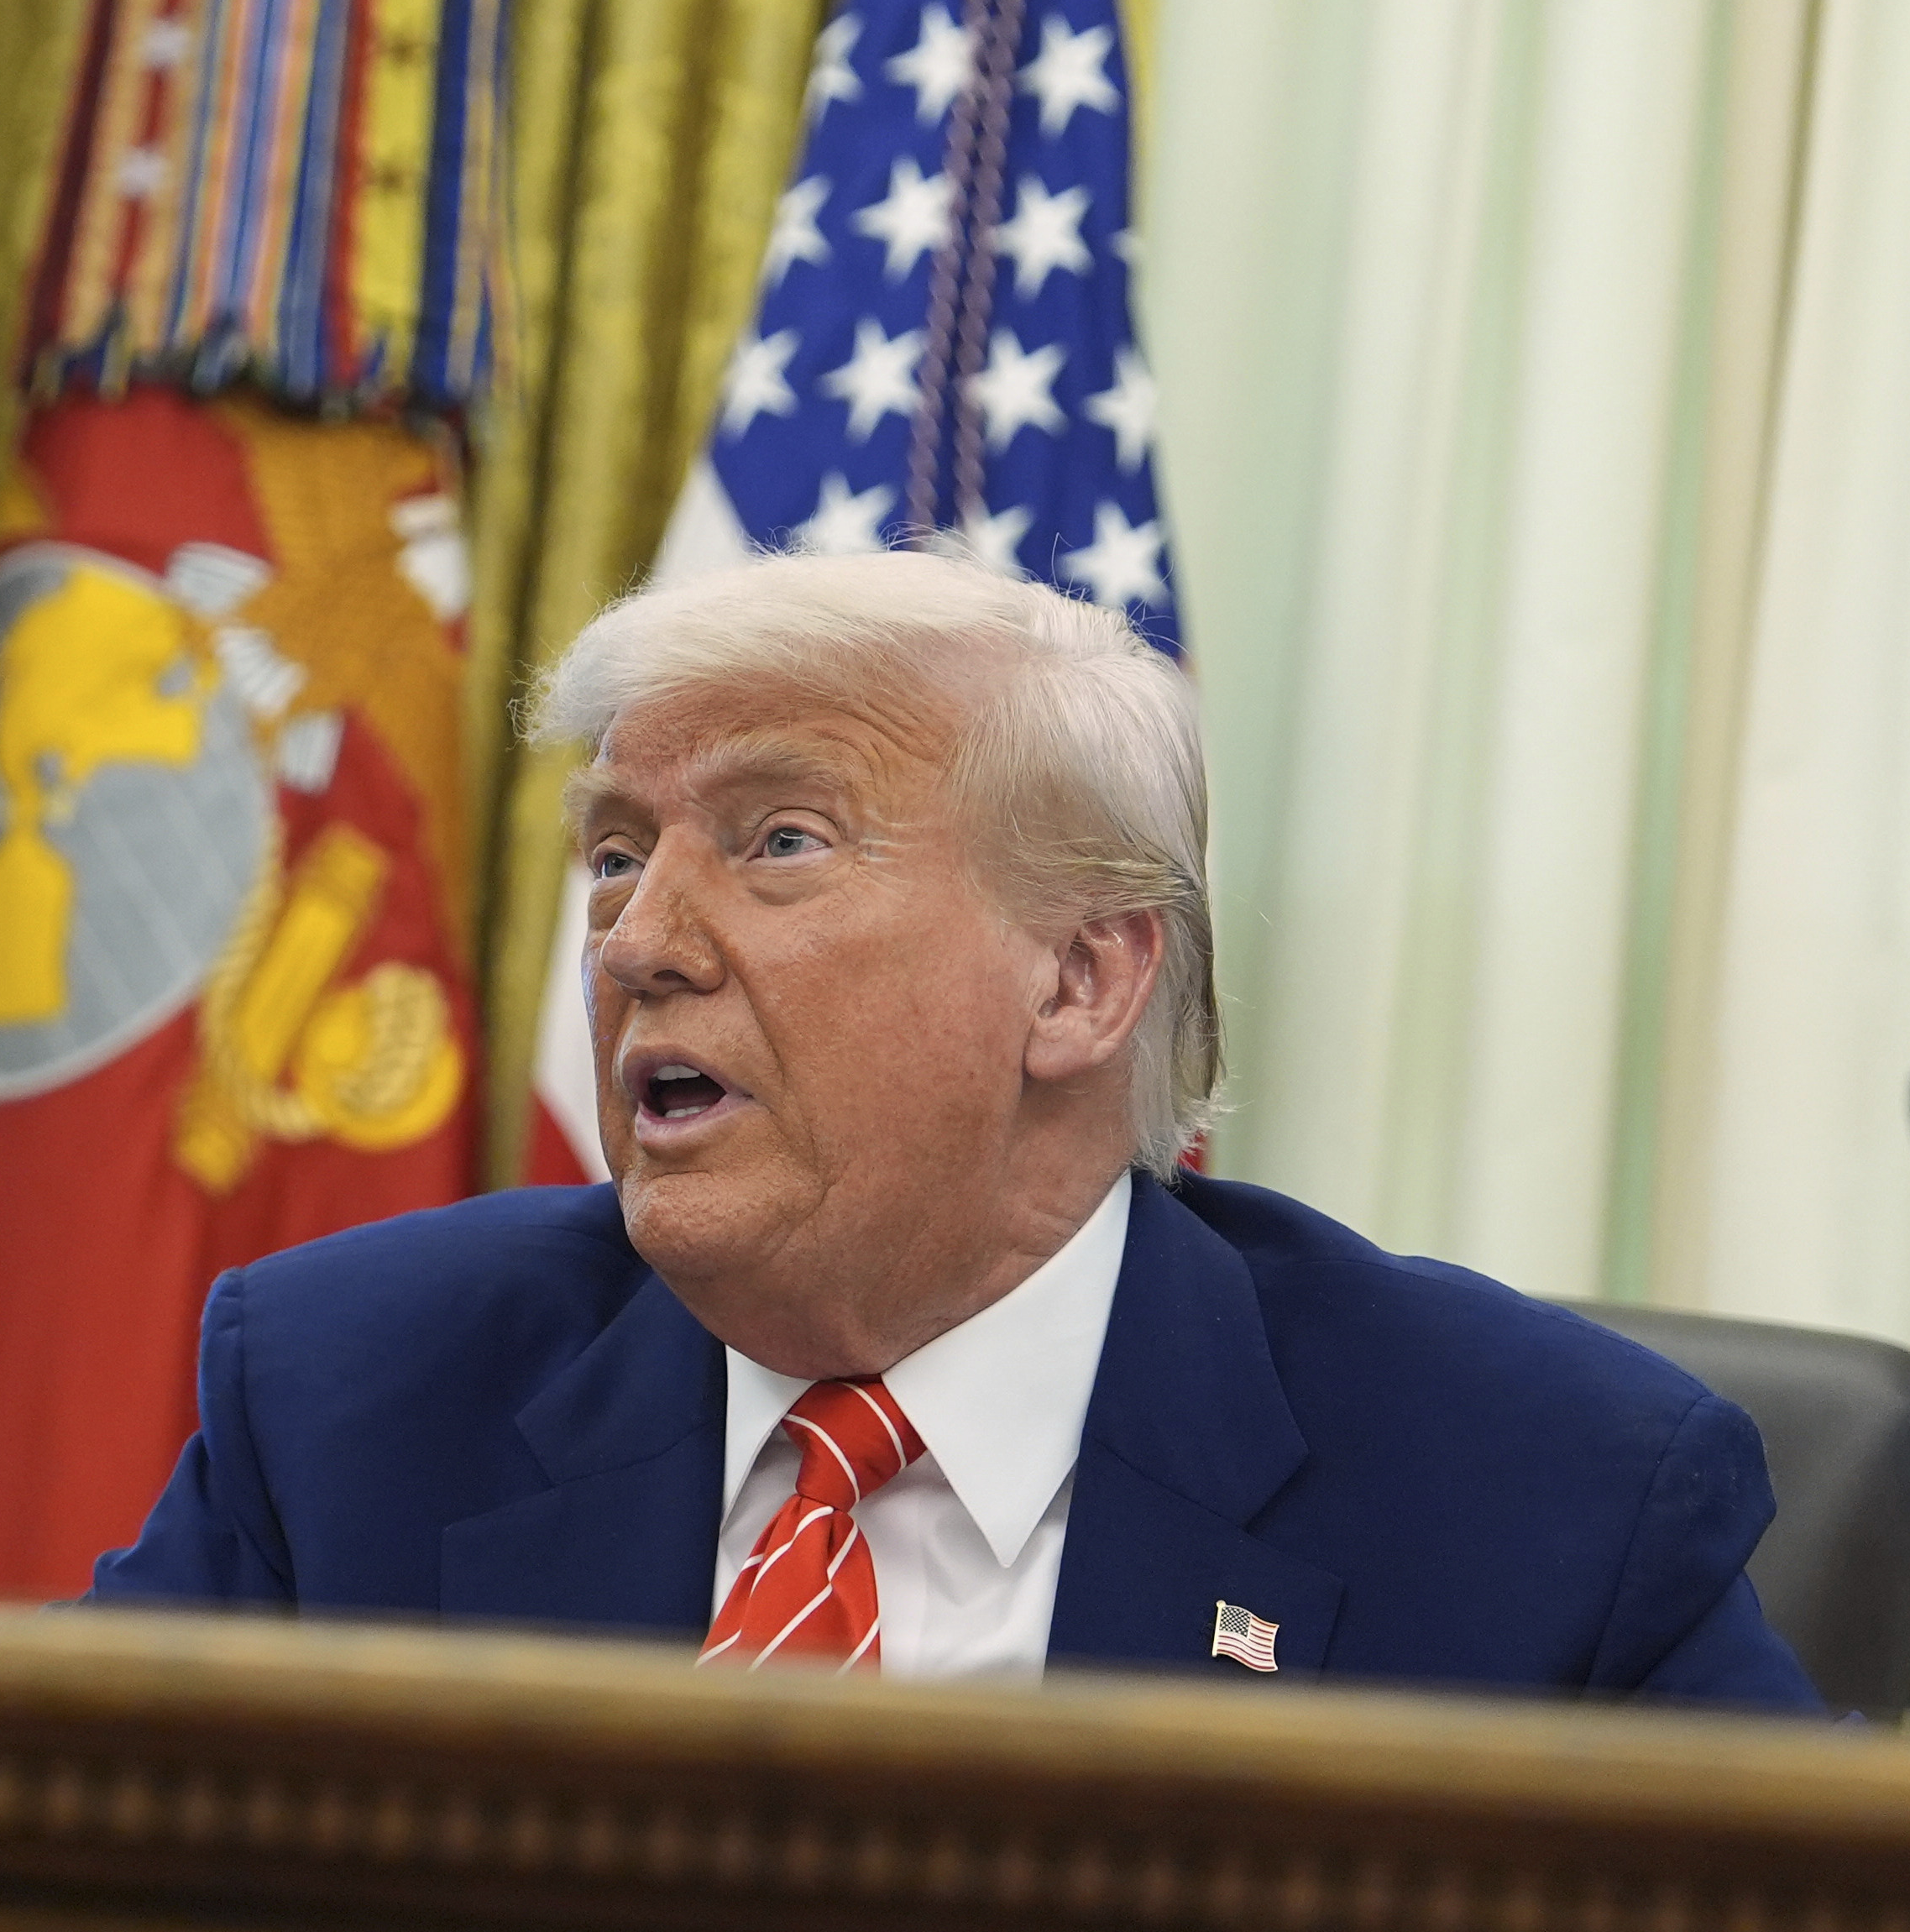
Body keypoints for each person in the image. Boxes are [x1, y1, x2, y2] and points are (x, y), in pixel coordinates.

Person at [91, 547, 1817, 1704]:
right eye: (616, 850)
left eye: (777, 841)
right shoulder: (354, 1398)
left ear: (1077, 981)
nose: (633, 942)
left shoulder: (1543, 1505)